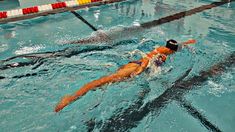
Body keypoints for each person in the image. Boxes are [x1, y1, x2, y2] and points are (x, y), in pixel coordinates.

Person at [54, 39, 196, 112]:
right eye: (176, 50)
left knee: (106, 82)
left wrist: (188, 42)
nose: (177, 51)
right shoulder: (162, 53)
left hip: (133, 64)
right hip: (133, 68)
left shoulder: (165, 48)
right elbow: (147, 59)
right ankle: (71, 98)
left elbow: (173, 47)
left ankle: (75, 96)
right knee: (102, 82)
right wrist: (139, 71)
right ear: (172, 50)